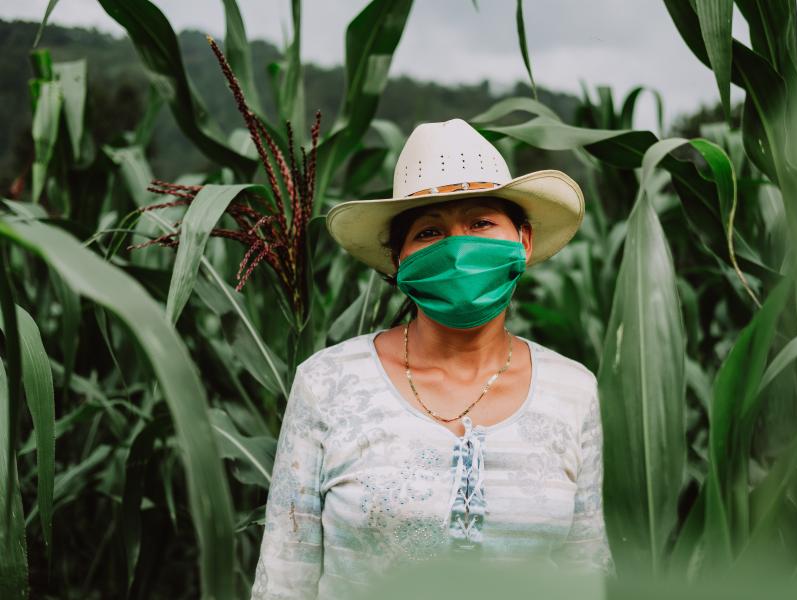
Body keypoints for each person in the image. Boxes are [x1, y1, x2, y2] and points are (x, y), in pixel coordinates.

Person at [250, 118, 613, 599]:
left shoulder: (573, 391)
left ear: (523, 241)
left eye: (481, 222)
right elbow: (284, 577)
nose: (458, 248)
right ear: (400, 259)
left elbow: (585, 572)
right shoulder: (328, 383)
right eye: (429, 231)